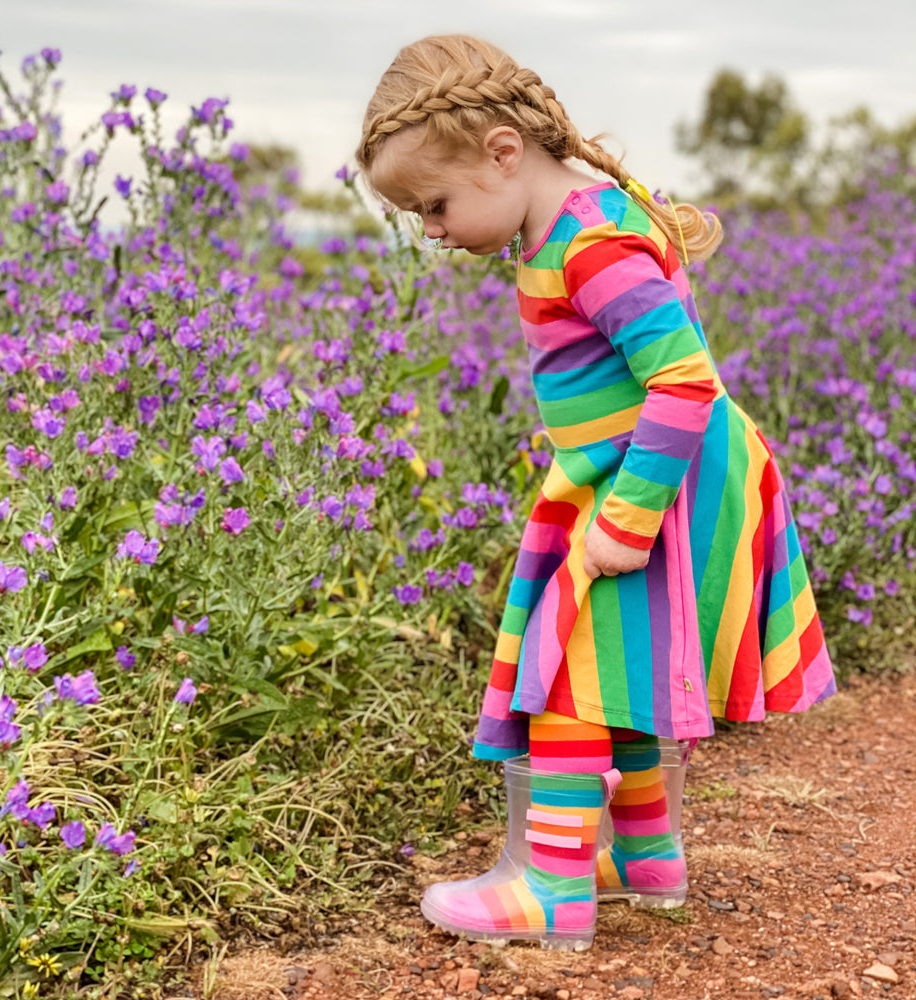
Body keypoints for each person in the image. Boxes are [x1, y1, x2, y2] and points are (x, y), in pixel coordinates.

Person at [355, 34, 837, 950]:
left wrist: (627, 516)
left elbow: (685, 380)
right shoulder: (568, 228)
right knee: (622, 673)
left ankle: (550, 885)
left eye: (435, 203)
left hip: (659, 481)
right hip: (643, 470)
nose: (433, 229)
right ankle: (644, 857)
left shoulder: (590, 241)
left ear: (504, 152)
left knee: (569, 680)